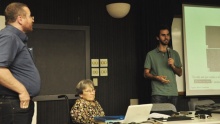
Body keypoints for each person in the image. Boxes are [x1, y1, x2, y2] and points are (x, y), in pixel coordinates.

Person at [0, 2, 41, 124]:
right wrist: (22, 91)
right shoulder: (10, 37)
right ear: (20, 19)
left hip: (17, 103)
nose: (32, 20)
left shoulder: (16, 38)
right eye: (30, 16)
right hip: (14, 103)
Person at [144, 25, 182, 107]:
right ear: (158, 38)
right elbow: (146, 74)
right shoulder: (151, 54)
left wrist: (173, 66)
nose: (166, 37)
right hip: (158, 93)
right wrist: (157, 77)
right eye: (163, 35)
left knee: (172, 118)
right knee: (158, 118)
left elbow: (180, 73)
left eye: (168, 35)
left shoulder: (174, 53)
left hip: (173, 93)